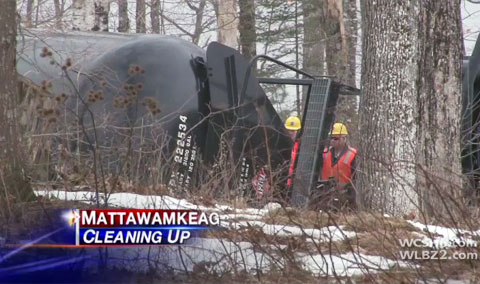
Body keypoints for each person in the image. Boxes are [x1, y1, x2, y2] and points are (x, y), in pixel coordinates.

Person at [316, 122, 357, 210]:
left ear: (344, 138)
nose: (332, 140)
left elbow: (356, 179)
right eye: (331, 138)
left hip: (345, 197)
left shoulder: (353, 154)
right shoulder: (324, 153)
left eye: (336, 138)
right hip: (325, 196)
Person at [285, 116, 301, 187]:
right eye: (288, 130)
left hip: (294, 185)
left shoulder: (301, 147)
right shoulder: (281, 144)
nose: (290, 133)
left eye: (293, 131)